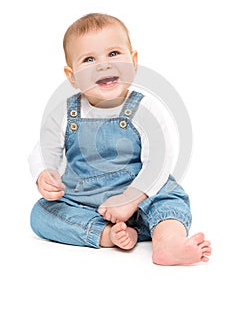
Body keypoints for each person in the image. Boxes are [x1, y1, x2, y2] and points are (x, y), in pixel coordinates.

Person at [29, 13, 211, 265]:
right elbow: (43, 150)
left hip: (143, 198)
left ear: (133, 61)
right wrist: (44, 174)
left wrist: (131, 198)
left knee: (169, 202)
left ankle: (167, 243)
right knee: (41, 214)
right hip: (87, 203)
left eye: (113, 54)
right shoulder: (64, 112)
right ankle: (106, 235)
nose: (103, 64)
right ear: (72, 76)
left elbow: (158, 162)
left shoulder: (144, 110)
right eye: (89, 59)